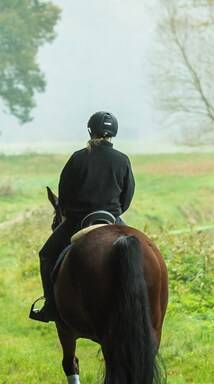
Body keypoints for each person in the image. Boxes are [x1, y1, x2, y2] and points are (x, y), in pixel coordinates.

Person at [29, 111, 135, 322]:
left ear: (90, 130)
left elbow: (65, 195)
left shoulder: (78, 158)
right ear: (114, 132)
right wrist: (114, 212)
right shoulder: (123, 160)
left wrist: (70, 212)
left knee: (47, 255)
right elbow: (127, 196)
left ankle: (50, 306)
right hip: (112, 220)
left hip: (78, 220)